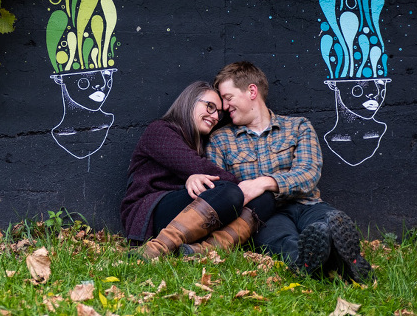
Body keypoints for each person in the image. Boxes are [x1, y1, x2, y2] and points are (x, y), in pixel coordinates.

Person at [206, 61, 372, 282]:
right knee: (282, 241)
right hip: (265, 215)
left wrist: (263, 183)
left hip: (308, 204)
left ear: (252, 91)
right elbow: (222, 191)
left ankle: (340, 255)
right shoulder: (220, 140)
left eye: (228, 98)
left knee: (326, 224)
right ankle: (323, 262)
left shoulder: (298, 126)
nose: (224, 107)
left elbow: (308, 173)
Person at [120, 81, 274, 259]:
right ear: (190, 101)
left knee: (265, 199)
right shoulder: (160, 131)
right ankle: (156, 249)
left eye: (219, 113)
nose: (215, 116)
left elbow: (197, 171)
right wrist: (246, 187)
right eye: (210, 107)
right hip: (150, 212)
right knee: (231, 192)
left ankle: (204, 251)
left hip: (191, 211)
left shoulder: (200, 142)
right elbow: (196, 166)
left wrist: (256, 189)